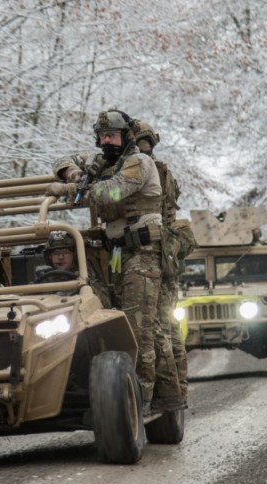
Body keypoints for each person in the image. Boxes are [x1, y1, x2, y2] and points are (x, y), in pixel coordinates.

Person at [45, 108, 170, 414]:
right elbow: (63, 160)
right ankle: (123, 394)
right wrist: (72, 172)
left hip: (142, 255)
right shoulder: (104, 162)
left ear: (126, 136)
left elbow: (109, 192)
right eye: (101, 137)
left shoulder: (139, 163)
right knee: (116, 323)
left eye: (111, 135)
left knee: (139, 328)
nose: (105, 142)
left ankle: (141, 401)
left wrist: (71, 189)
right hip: (116, 255)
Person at [133, 119, 192, 412]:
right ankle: (176, 394)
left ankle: (169, 396)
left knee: (158, 327)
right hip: (165, 254)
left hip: (155, 253)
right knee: (166, 326)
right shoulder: (160, 170)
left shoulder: (147, 170)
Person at [38, 231, 112, 308]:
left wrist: (87, 287)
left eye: (65, 252)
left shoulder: (86, 278)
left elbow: (106, 304)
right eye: (56, 253)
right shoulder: (43, 282)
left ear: (75, 255)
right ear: (49, 257)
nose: (61, 257)